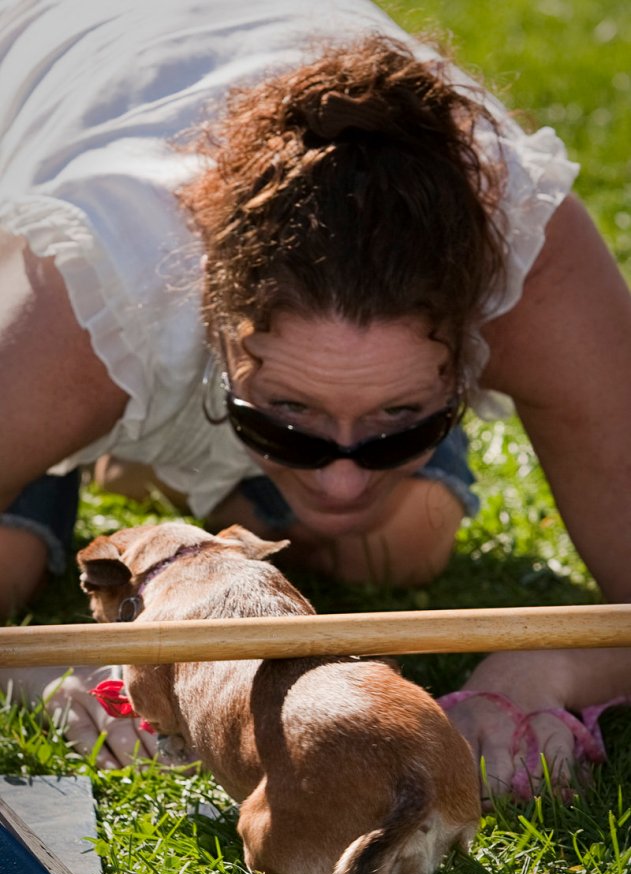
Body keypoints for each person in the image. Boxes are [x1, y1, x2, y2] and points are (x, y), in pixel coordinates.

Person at [1, 0, 631, 794]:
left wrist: (545, 666)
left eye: (399, 422)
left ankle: (157, 460)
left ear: (471, 341)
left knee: (401, 540)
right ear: (219, 333)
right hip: (50, 94)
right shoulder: (89, 302)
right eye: (288, 420)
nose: (341, 481)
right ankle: (77, 457)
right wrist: (36, 667)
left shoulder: (535, 266)